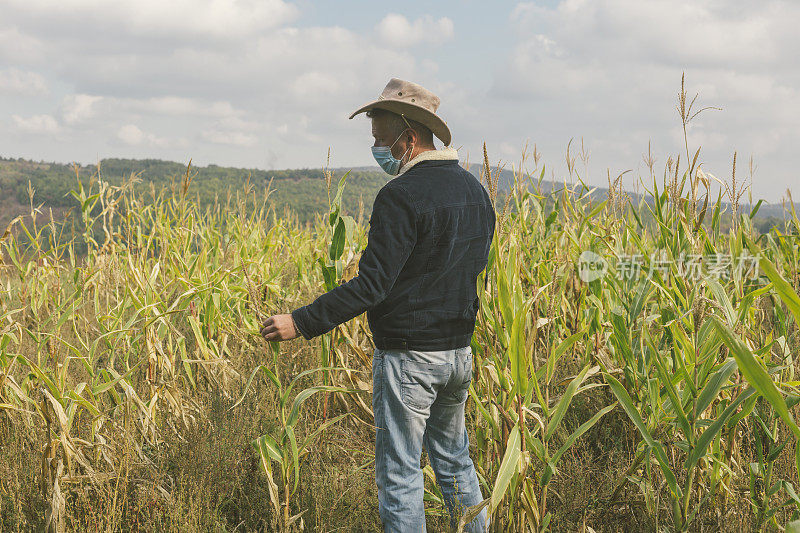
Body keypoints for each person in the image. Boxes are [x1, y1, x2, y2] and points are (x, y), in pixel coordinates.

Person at [260, 77, 495, 532]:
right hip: (458, 356)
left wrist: (301, 322)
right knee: (456, 463)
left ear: (408, 139)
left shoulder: (400, 196)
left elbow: (371, 286)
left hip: (410, 358)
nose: (376, 147)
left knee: (401, 475)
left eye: (379, 138)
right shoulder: (475, 191)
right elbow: (473, 268)